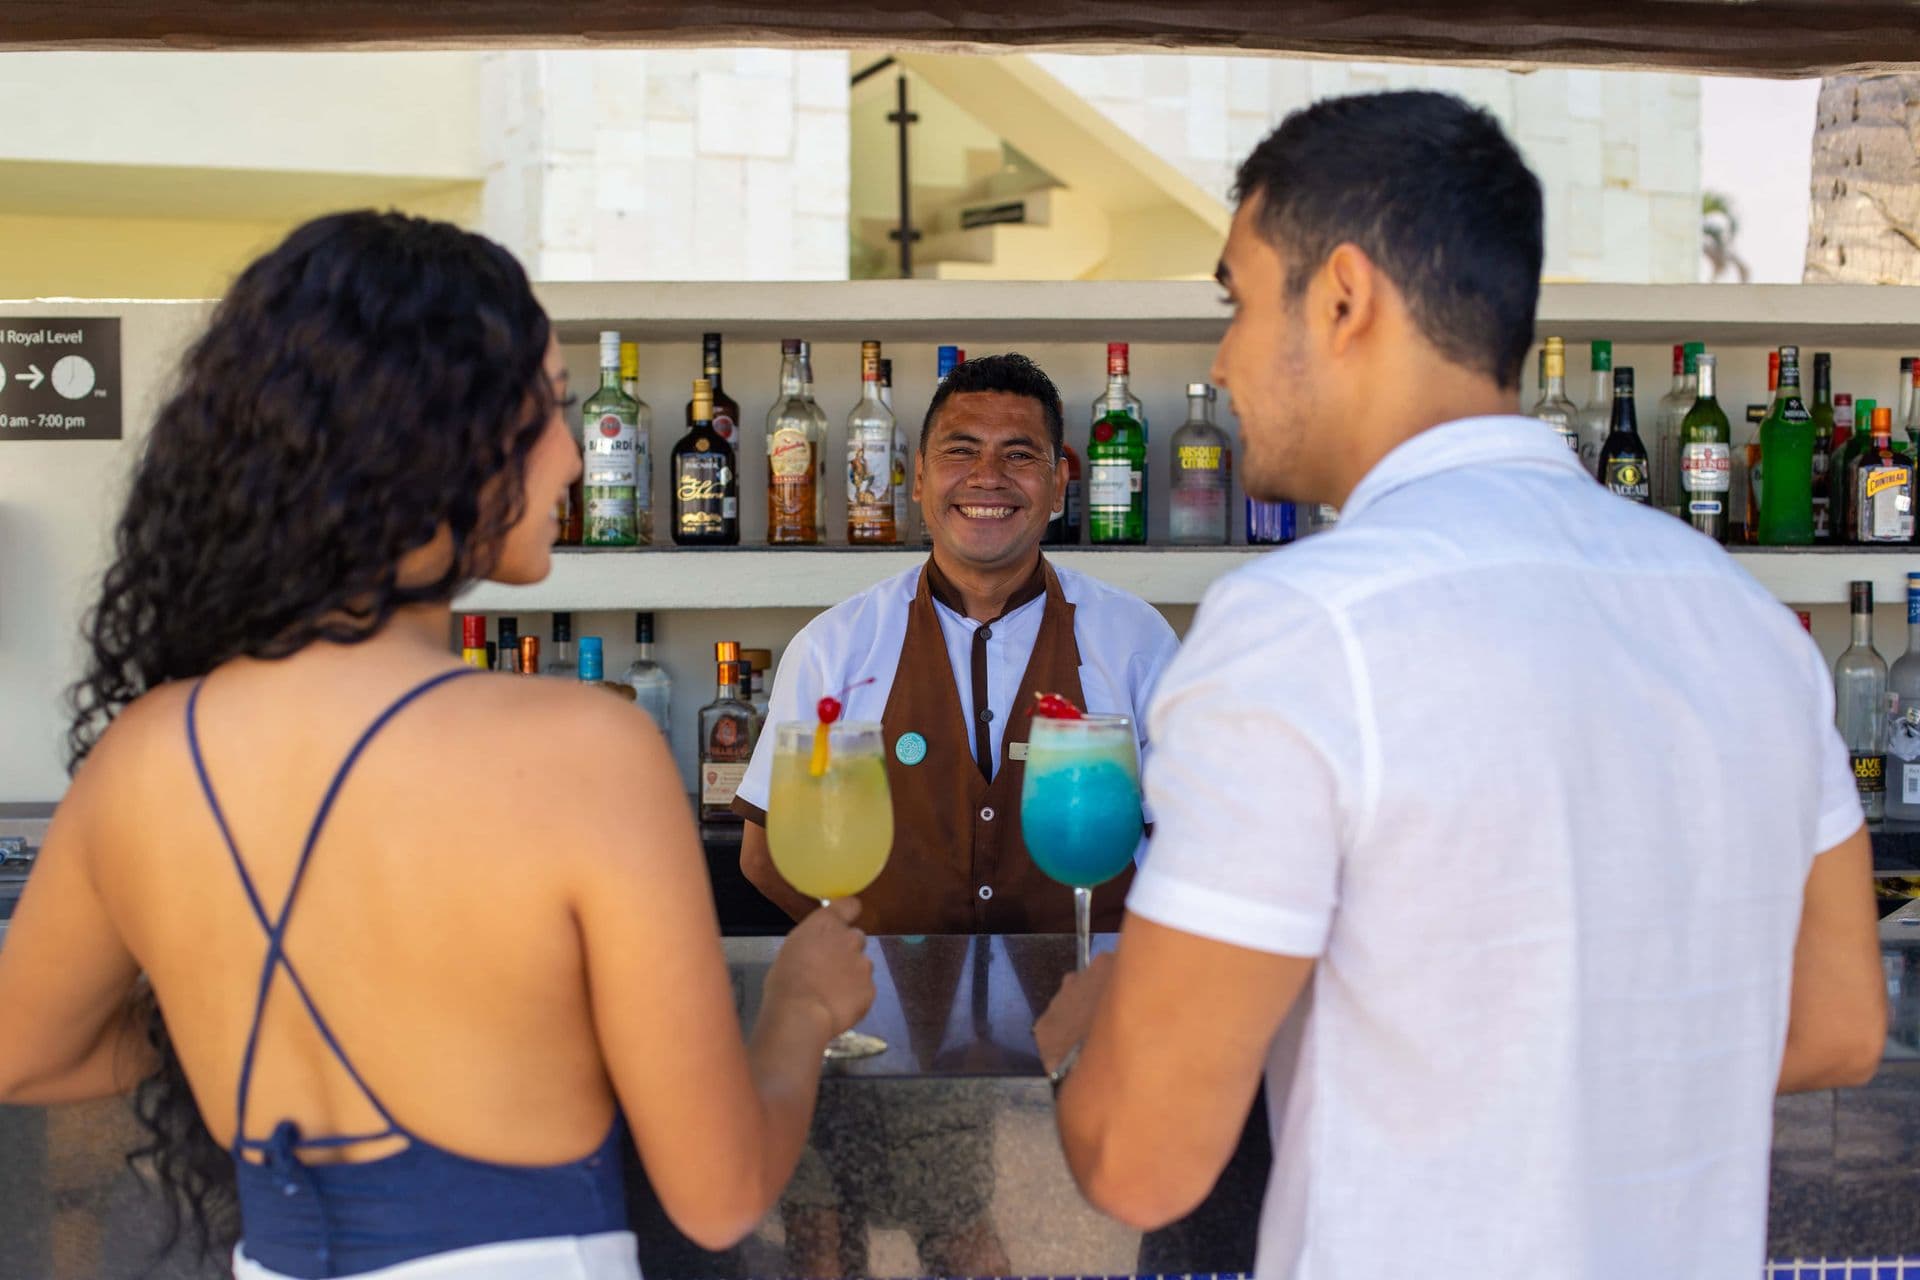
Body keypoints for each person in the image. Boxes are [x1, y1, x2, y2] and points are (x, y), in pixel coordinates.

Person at [1036, 90, 1887, 1279]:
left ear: (1342, 296)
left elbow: (1141, 1157)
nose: (1220, 358)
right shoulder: (1746, 623)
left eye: (1233, 298)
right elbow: (1836, 1020)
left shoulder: (1301, 627)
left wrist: (1094, 1032)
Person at [0, 211, 874, 1279]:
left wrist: (227, 1007)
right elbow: (720, 1190)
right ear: (430, 435)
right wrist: (801, 1006)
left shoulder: (145, 751)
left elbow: (29, 1048)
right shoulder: (584, 747)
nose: (569, 453)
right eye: (546, 407)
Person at [734, 353, 1178, 936]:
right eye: (961, 450)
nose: (987, 476)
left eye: (1019, 454)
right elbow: (767, 856)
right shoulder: (834, 647)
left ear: (1059, 485)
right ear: (918, 477)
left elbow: (1199, 847)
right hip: (889, 1020)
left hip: (1095, 1009)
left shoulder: (1136, 640)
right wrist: (876, 968)